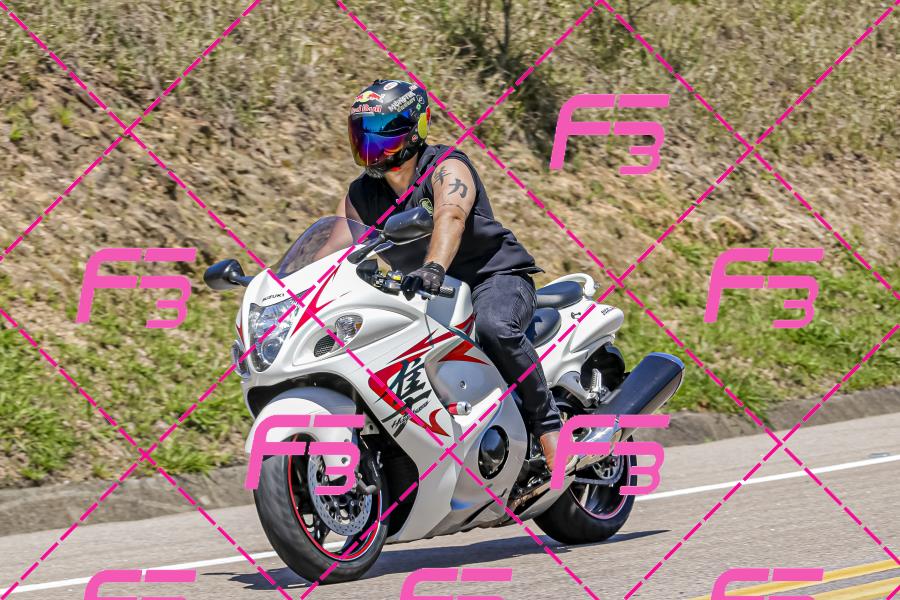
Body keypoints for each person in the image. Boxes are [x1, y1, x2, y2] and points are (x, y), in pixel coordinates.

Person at [339, 79, 564, 472]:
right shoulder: (361, 195)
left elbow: (451, 216)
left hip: (492, 277)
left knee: (495, 327)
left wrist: (434, 267)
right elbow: (339, 250)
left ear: (415, 129)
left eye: (382, 133)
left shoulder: (447, 168)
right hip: (423, 294)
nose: (371, 144)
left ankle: (550, 431)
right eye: (363, 134)